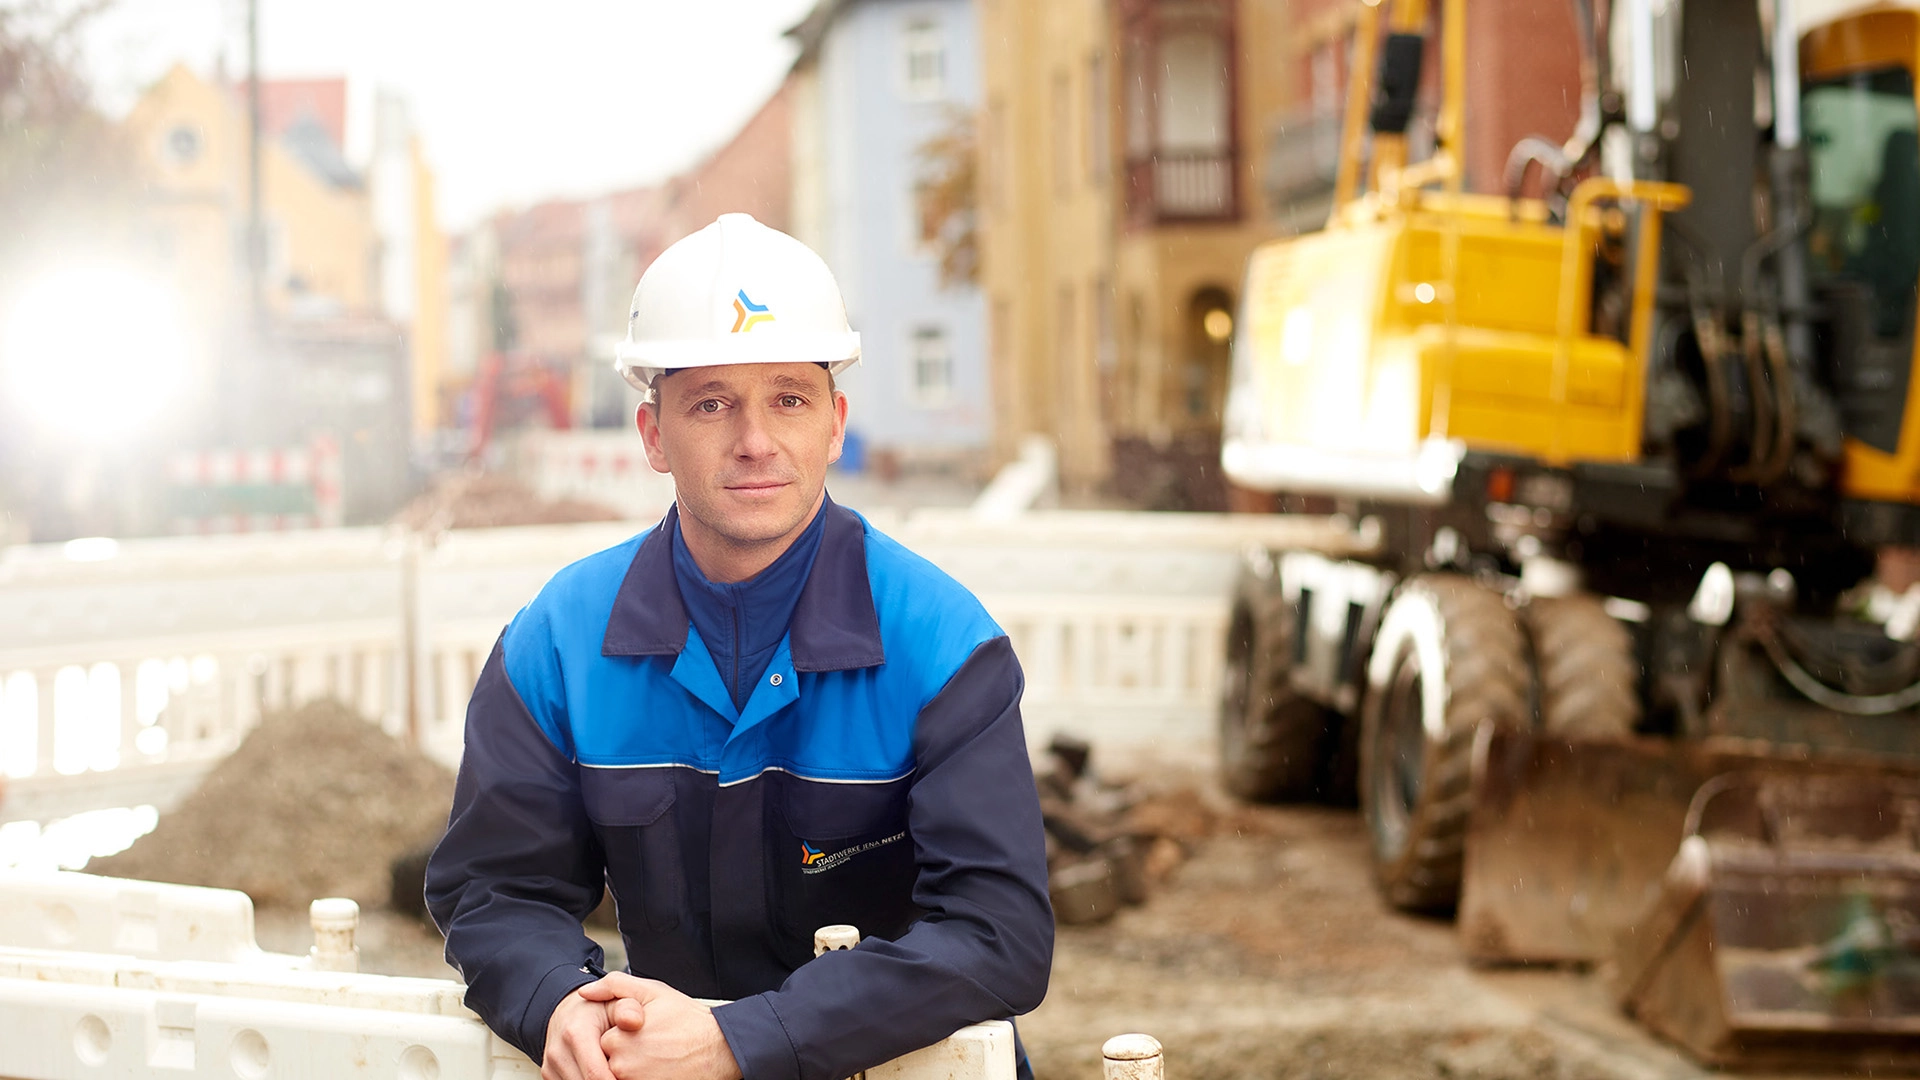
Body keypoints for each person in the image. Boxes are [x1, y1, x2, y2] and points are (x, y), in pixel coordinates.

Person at [425, 213, 1053, 1080]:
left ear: (834, 423)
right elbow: (496, 887)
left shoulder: (940, 645)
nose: (755, 441)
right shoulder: (558, 643)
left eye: (788, 398)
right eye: (712, 402)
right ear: (653, 436)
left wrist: (739, 1039)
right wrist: (553, 995)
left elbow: (1000, 934)